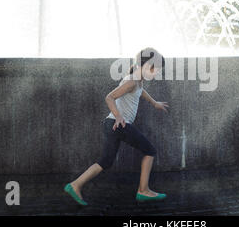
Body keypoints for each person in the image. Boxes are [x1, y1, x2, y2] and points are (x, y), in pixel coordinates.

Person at [64, 48, 169, 205]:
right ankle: (143, 191)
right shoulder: (132, 81)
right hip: (119, 124)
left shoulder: (137, 79)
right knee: (150, 151)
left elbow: (141, 91)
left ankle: (75, 185)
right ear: (146, 65)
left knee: (105, 161)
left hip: (112, 125)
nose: (156, 74)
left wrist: (154, 103)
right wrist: (119, 116)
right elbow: (110, 97)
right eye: (156, 70)